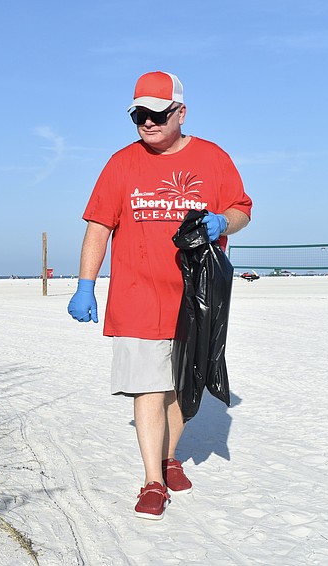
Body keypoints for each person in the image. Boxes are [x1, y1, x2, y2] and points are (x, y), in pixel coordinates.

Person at [67, 71, 252, 520]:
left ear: (180, 112)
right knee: (147, 388)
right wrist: (85, 284)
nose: (146, 123)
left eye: (156, 114)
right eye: (138, 115)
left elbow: (242, 210)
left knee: (182, 387)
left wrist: (220, 223)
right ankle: (153, 479)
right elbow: (98, 227)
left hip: (197, 297)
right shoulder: (121, 163)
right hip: (136, 295)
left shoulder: (213, 158)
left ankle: (171, 456)